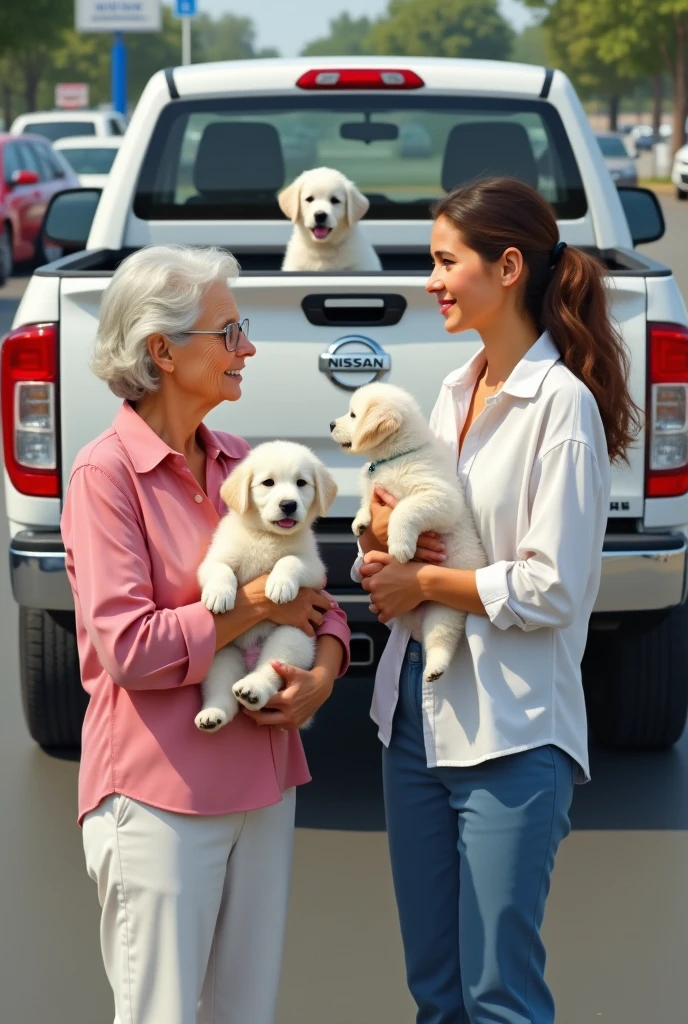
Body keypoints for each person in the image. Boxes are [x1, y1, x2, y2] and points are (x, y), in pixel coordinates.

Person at [355, 177, 639, 1024]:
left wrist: (427, 581)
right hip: (414, 718)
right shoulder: (448, 393)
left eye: (446, 262)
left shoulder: (563, 409)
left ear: (508, 266)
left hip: (514, 734)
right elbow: (427, 529)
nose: (432, 282)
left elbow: (553, 586)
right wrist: (382, 538)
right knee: (436, 995)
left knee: (499, 997)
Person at [60, 244, 350, 1024]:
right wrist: (255, 603)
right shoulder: (105, 477)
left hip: (264, 783)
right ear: (162, 350)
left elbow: (323, 604)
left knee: (243, 1015)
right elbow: (129, 649)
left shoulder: (244, 461)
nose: (247, 348)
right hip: (159, 796)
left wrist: (322, 674)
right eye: (229, 333)